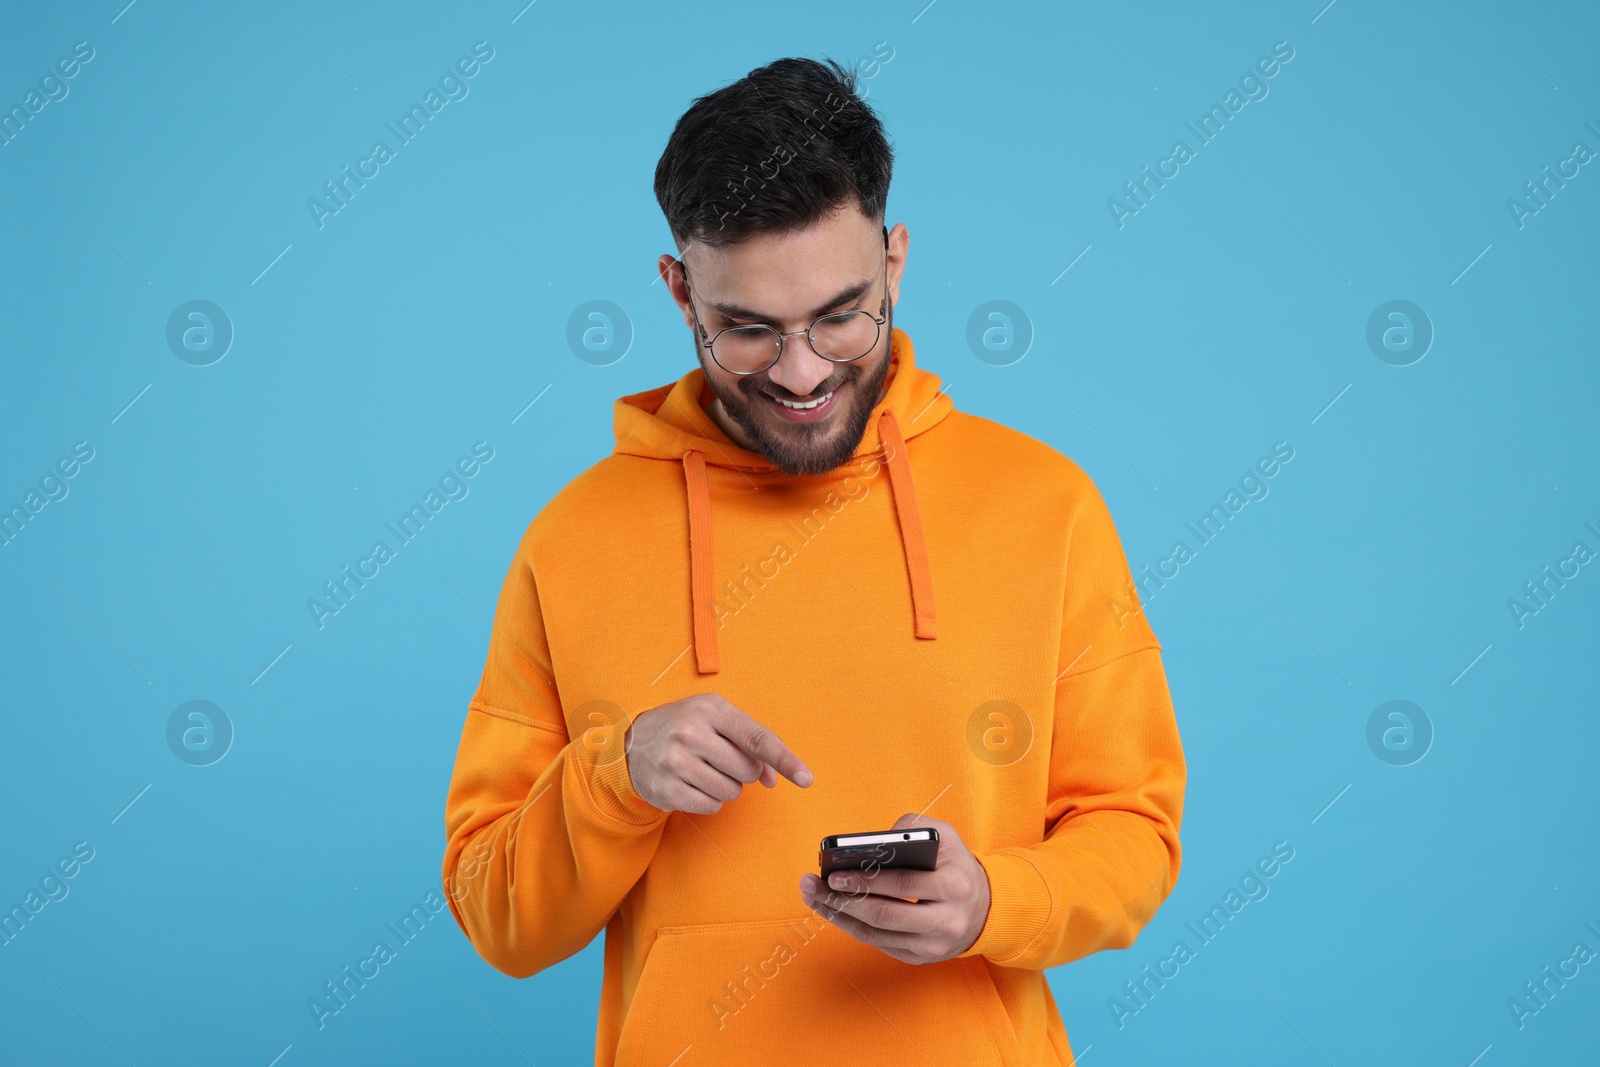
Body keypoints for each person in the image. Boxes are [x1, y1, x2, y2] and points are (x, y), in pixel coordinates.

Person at [441, 55, 1186, 1066]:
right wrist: (611, 777)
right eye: (748, 330)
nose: (800, 374)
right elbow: (499, 917)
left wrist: (995, 902)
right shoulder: (572, 540)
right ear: (678, 292)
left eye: (841, 316)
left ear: (896, 261)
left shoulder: (1042, 505)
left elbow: (1133, 833)